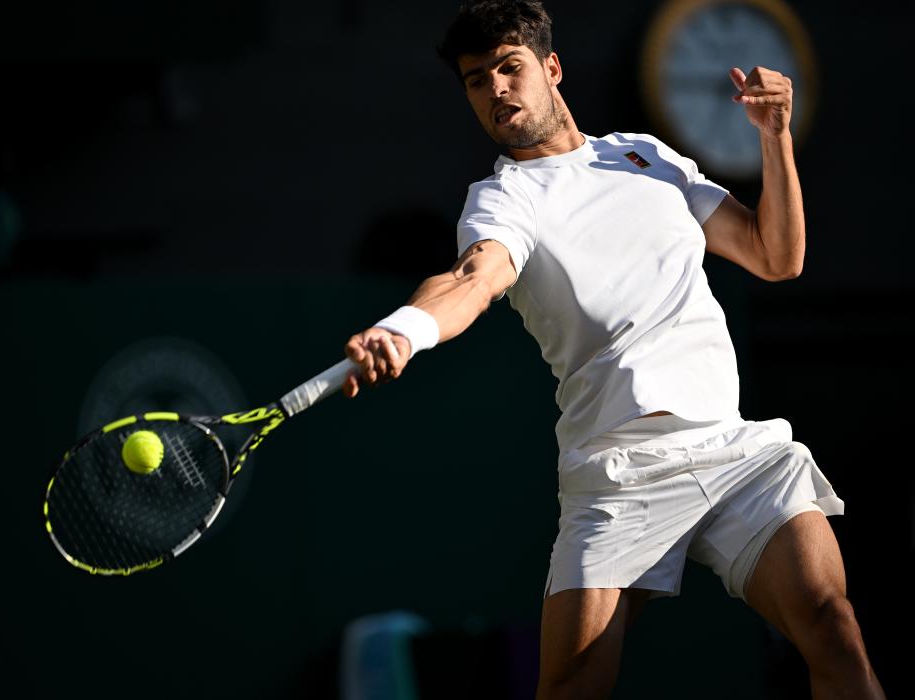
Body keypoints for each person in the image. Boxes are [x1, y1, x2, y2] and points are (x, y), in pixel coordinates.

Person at [341, 1, 885, 697]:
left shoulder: (648, 156)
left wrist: (774, 137)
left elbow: (775, 256)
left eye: (509, 68)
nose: (497, 89)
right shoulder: (504, 200)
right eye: (477, 81)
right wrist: (406, 329)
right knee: (573, 687)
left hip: (735, 452)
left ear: (551, 68)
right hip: (618, 472)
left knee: (832, 624)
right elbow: (471, 279)